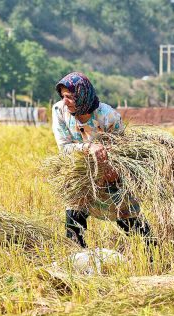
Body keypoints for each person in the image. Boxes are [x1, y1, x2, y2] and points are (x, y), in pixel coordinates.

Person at [52, 72, 153, 247]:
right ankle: (78, 260)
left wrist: (112, 170)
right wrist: (88, 147)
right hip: (80, 174)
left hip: (109, 172)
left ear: (82, 95)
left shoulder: (108, 116)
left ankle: (153, 251)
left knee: (127, 217)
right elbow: (64, 147)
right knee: (74, 218)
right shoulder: (59, 111)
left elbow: (122, 150)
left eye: (69, 97)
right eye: (63, 96)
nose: (64, 101)